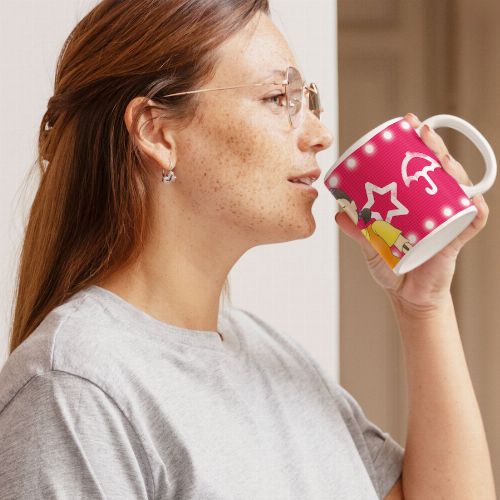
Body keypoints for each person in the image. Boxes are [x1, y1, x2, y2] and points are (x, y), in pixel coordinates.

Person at [0, 1, 496, 499]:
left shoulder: (273, 355)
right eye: (279, 98)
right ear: (157, 132)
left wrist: (423, 305)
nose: (320, 135)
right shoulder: (75, 387)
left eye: (308, 100)